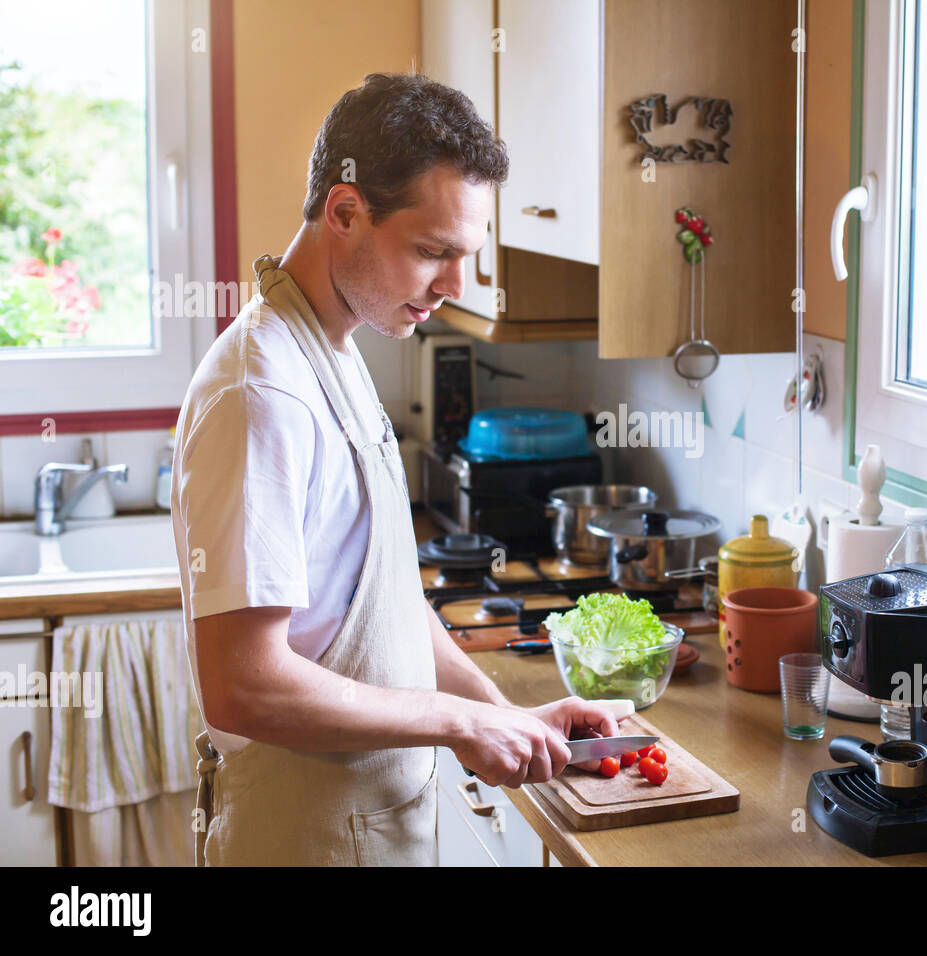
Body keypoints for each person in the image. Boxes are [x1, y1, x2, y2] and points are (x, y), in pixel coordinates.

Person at [171, 73, 615, 866]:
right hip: (303, 836)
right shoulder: (261, 391)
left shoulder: (334, 346)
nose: (452, 287)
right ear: (345, 211)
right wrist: (457, 724)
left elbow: (386, 618)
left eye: (464, 257)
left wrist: (502, 712)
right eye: (432, 252)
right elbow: (245, 686)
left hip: (371, 823)